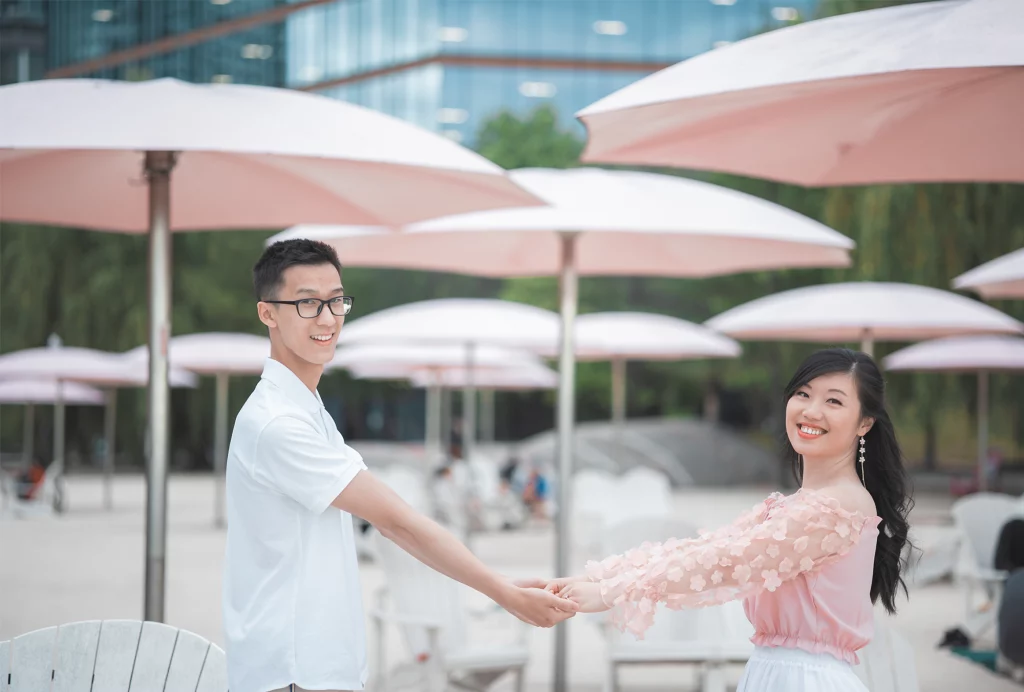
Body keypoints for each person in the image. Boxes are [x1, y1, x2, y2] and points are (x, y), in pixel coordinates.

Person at [222, 239, 577, 692]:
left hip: (307, 666)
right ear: (268, 313)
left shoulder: (306, 410)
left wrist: (502, 585)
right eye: (307, 303)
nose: (328, 318)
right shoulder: (277, 423)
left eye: (336, 301)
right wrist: (502, 592)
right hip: (291, 673)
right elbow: (397, 522)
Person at [550, 348, 914, 692]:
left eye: (833, 400)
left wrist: (612, 592)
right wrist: (594, 578)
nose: (811, 410)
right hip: (778, 673)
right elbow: (709, 548)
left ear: (864, 422)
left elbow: (726, 564)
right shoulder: (802, 504)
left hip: (806, 680)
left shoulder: (837, 506)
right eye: (803, 394)